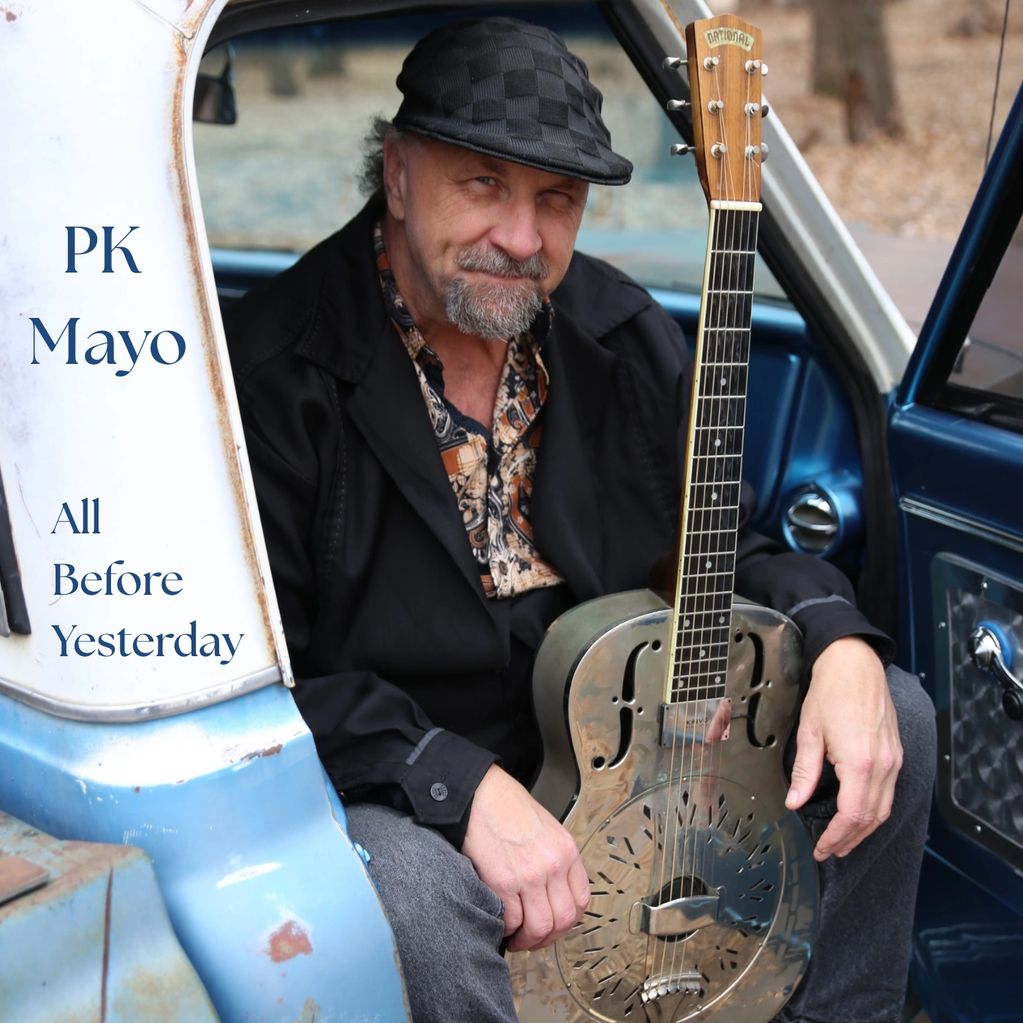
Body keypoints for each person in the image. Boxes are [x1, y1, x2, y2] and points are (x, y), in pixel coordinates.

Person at [225, 16, 935, 1023]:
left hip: (623, 753)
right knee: (416, 903)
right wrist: (454, 784)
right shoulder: (268, 370)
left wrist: (841, 640)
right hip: (405, 780)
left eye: (556, 201)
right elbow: (257, 683)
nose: (523, 239)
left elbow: (722, 542)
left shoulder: (616, 330)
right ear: (395, 175)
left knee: (892, 716)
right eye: (483, 186)